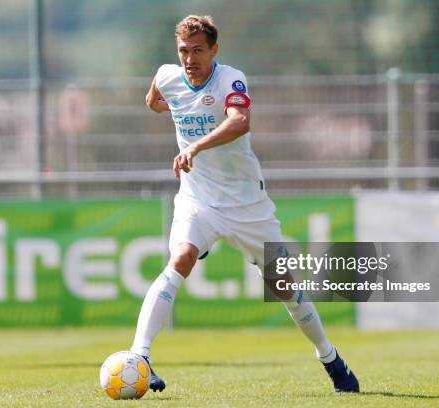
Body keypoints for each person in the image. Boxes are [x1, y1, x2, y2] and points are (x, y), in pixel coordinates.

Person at [130, 15, 359, 393]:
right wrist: (173, 108)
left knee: (284, 286)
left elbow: (240, 122)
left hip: (247, 206)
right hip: (197, 199)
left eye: (198, 51)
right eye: (184, 51)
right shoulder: (168, 76)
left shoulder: (230, 79)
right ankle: (140, 356)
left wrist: (195, 145)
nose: (190, 59)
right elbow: (154, 99)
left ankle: (330, 358)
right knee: (181, 258)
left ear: (214, 49)